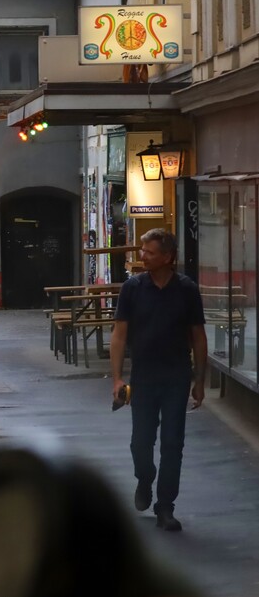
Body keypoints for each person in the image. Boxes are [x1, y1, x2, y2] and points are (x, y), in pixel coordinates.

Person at [110, 228, 208, 532]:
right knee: (141, 442)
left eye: (149, 252)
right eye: (143, 250)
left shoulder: (187, 290)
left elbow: (198, 337)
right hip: (143, 378)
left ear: (167, 257)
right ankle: (144, 477)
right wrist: (116, 378)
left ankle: (166, 506)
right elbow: (119, 334)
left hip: (177, 377)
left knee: (172, 443)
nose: (142, 256)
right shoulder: (133, 288)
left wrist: (200, 380)